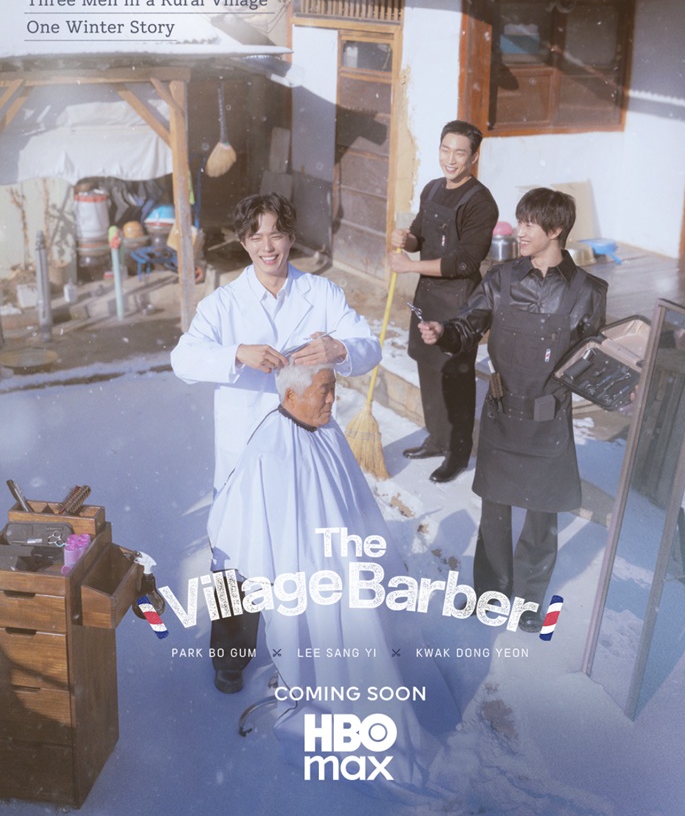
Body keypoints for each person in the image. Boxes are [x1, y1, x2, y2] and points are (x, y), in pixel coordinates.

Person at [207, 361, 460, 796]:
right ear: (290, 396)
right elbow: (245, 533)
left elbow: (350, 503)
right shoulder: (270, 453)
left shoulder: (328, 433)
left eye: (334, 388)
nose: (332, 398)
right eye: (323, 390)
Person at [170, 193, 381, 692]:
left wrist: (339, 347)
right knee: (236, 553)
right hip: (246, 450)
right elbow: (183, 360)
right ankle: (230, 655)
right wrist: (235, 353)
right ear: (243, 243)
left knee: (309, 548)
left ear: (291, 237)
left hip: (309, 447)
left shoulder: (321, 293)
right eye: (256, 236)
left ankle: (310, 655)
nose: (268, 247)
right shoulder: (224, 304)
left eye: (276, 234)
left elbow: (369, 347)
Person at [419, 188, 608, 632]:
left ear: (555, 230)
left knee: (542, 517)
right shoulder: (500, 279)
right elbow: (468, 325)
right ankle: (490, 593)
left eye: (528, 224)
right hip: (503, 412)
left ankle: (528, 602)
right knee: (495, 511)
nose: (518, 231)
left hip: (549, 417)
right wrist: (444, 332)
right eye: (519, 222)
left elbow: (595, 356)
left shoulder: (587, 291)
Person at [389, 120, 499, 483]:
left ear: (474, 157)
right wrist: (404, 240)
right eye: (445, 150)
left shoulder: (480, 203)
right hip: (428, 296)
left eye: (460, 153)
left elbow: (464, 262)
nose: (450, 159)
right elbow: (419, 236)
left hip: (459, 304)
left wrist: (409, 266)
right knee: (427, 368)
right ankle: (437, 439)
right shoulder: (433, 188)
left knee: (455, 377)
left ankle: (457, 453)